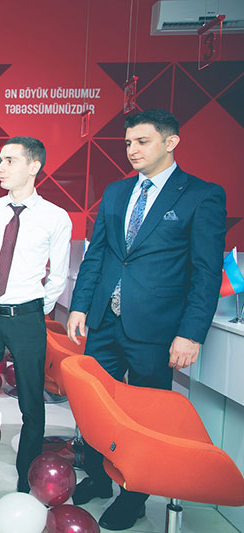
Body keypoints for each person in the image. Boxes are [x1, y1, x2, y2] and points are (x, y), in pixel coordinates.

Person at [66, 109, 226, 531]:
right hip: (105, 321)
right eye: (128, 143)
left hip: (156, 329)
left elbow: (207, 271)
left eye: (142, 142)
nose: (132, 150)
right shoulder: (117, 191)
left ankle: (134, 496)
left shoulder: (201, 195)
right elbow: (98, 254)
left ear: (171, 143)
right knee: (94, 408)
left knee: (144, 417)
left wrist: (191, 333)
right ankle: (98, 477)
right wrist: (80, 306)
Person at [0, 137, 71, 494]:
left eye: (9, 161)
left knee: (31, 402)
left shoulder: (55, 217)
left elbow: (58, 277)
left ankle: (27, 477)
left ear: (34, 166)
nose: (0, 168)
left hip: (27, 317)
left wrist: (31, 307)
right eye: (0, 161)